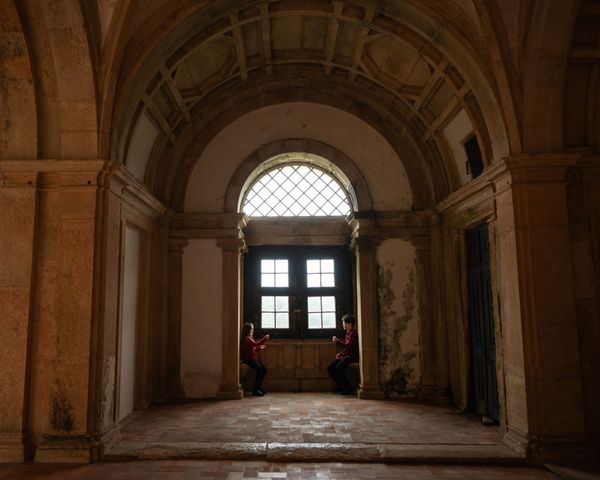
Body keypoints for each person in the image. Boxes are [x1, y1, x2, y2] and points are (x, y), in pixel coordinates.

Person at [328, 314, 359, 395]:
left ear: (350, 324)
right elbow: (347, 348)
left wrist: (337, 341)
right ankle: (341, 385)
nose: (343, 325)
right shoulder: (348, 333)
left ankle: (348, 386)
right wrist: (341, 354)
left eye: (345, 323)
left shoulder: (353, 334)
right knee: (330, 367)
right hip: (347, 355)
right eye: (343, 323)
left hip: (352, 356)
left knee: (338, 368)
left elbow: (349, 347)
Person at [240, 322, 269, 396]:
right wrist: (265, 338)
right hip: (248, 359)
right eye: (252, 329)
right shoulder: (247, 338)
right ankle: (256, 389)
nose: (253, 330)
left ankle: (258, 388)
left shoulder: (249, 338)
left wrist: (259, 348)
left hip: (252, 358)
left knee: (264, 370)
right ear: (248, 330)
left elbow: (253, 349)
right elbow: (256, 344)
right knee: (260, 370)